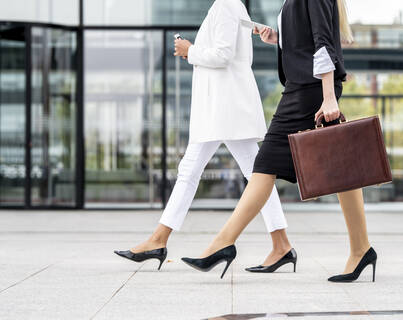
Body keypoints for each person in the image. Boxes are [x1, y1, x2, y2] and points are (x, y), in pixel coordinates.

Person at [182, 0, 378, 283]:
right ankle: (361, 250)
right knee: (340, 167)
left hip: (310, 91)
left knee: (266, 164)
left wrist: (329, 97)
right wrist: (279, 38)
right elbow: (307, 39)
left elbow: (323, 43)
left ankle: (223, 243)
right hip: (305, 87)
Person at [114, 0, 297, 275]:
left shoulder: (226, 4)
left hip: (223, 109)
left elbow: (223, 55)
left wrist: (190, 51)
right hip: (224, 108)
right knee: (252, 173)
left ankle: (158, 241)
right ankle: (281, 244)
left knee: (250, 174)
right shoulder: (231, 5)